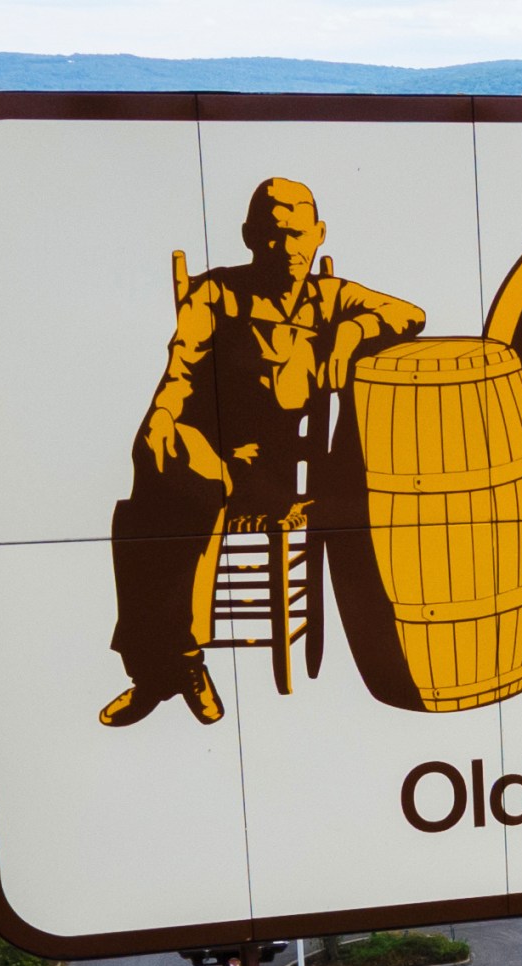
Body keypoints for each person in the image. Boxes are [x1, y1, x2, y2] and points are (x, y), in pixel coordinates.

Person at [101, 177, 425, 727]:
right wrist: (161, 417)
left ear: (319, 235)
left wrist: (352, 333)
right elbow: (181, 368)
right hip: (204, 448)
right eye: (274, 234)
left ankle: (163, 671)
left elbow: (411, 315)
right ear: (250, 236)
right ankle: (178, 663)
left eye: (298, 234)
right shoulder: (216, 293)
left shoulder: (332, 298)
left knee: (160, 507)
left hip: (272, 472)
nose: (288, 248)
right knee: (158, 475)